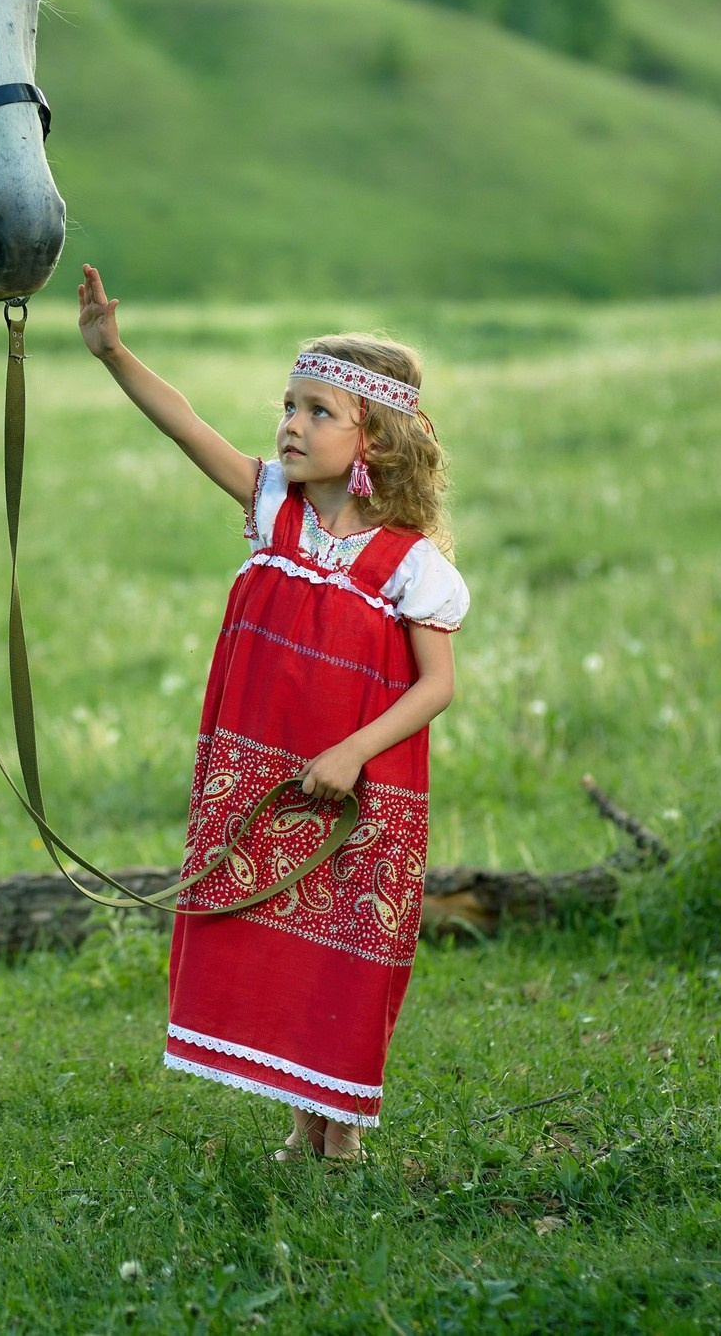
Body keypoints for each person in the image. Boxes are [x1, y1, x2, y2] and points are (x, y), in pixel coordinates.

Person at [76, 264, 465, 1163]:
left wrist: (352, 754)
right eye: (288, 405)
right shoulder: (272, 512)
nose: (291, 424)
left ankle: (343, 1135)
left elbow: (435, 685)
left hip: (361, 790)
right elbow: (185, 426)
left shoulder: (409, 566)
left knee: (339, 944)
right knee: (270, 933)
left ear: (378, 438)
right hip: (265, 773)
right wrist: (112, 353)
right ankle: (301, 1121)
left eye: (318, 410)